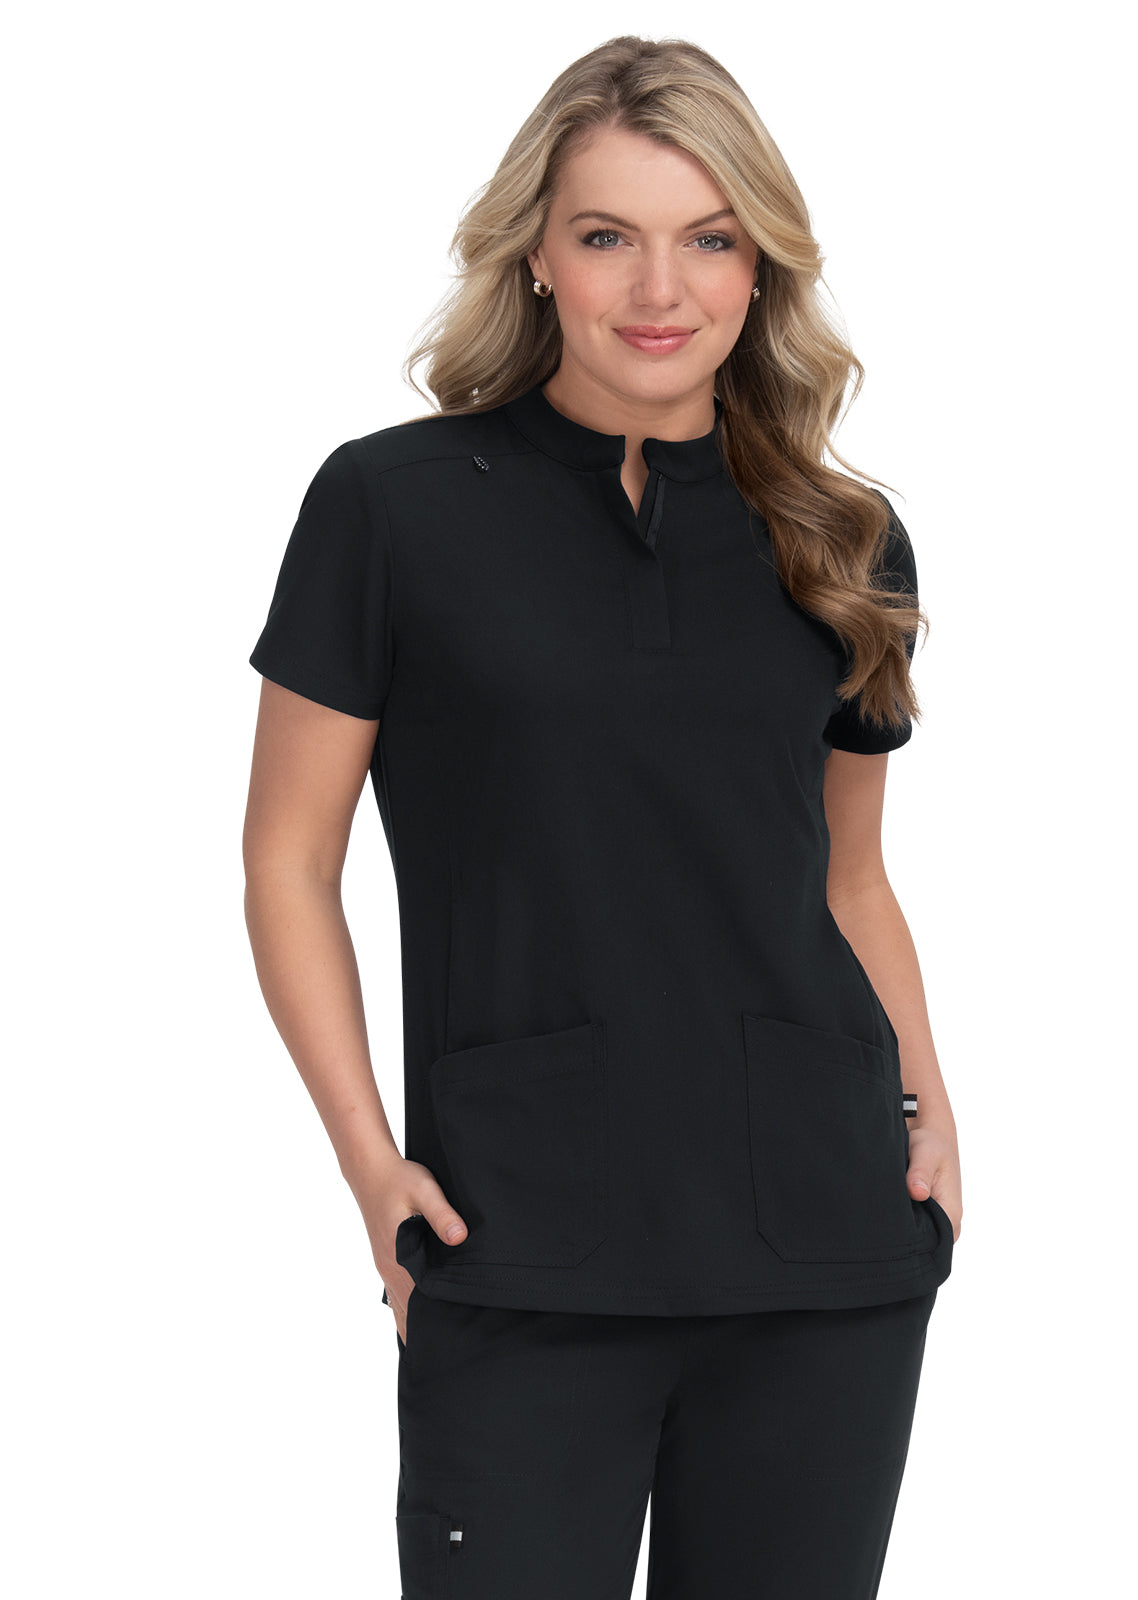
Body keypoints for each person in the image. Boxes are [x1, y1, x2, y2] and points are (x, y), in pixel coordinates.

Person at [243, 33, 962, 1600]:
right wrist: (371, 1167)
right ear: (537, 257)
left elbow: (851, 877)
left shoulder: (845, 538)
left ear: (762, 268)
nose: (660, 289)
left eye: (708, 239)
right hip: (517, 1234)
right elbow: (287, 862)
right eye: (606, 235)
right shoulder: (391, 508)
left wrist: (933, 1113)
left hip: (822, 1245)